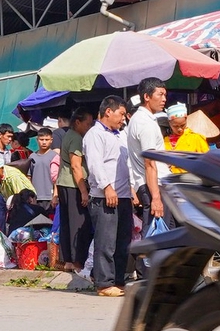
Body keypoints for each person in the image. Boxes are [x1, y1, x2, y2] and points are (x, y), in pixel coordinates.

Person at [81, 97, 136, 297]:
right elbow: (95, 165)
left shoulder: (120, 135)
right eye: (121, 114)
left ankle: (118, 280)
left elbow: (125, 164)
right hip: (104, 196)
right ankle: (104, 283)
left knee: (123, 241)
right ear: (108, 112)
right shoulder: (94, 135)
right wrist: (107, 187)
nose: (123, 118)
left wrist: (131, 189)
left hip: (123, 196)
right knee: (106, 242)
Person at [125, 80, 168, 239]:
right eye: (160, 94)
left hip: (149, 184)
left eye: (165, 95)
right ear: (147, 96)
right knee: (155, 234)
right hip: (152, 185)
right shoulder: (144, 123)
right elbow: (150, 163)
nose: (164, 99)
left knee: (158, 233)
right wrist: (156, 198)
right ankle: (145, 263)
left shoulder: (143, 120)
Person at [53, 112, 92, 273]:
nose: (89, 127)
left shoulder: (68, 135)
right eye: (87, 124)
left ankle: (68, 260)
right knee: (79, 225)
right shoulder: (76, 138)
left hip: (64, 183)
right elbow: (76, 166)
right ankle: (77, 261)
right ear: (77, 122)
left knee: (67, 224)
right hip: (74, 185)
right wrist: (84, 191)